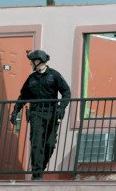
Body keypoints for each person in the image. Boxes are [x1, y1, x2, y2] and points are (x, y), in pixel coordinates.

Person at [10, 49, 71, 180]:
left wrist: (61, 108)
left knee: (49, 144)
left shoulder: (54, 75)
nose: (30, 65)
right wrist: (15, 111)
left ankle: (39, 169)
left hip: (52, 114)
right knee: (37, 143)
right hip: (36, 113)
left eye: (31, 62)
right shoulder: (31, 78)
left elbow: (66, 92)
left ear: (38, 61)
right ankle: (37, 174)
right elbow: (23, 96)